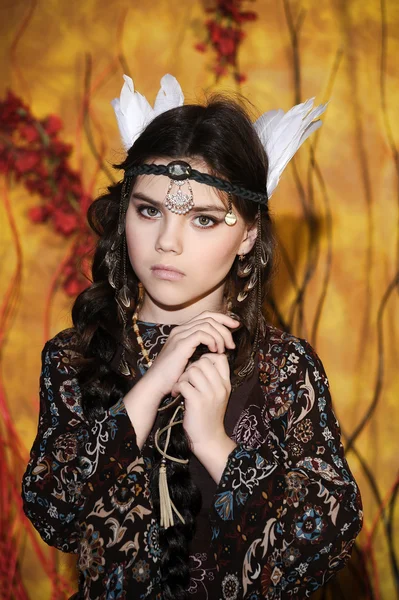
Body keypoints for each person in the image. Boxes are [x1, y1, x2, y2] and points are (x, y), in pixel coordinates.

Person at [21, 74, 363, 600]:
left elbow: (324, 544)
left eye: (203, 219)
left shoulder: (285, 368)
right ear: (124, 214)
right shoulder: (75, 356)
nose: (167, 242)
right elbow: (56, 513)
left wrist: (216, 446)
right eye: (149, 210)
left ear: (247, 234)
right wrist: (151, 385)